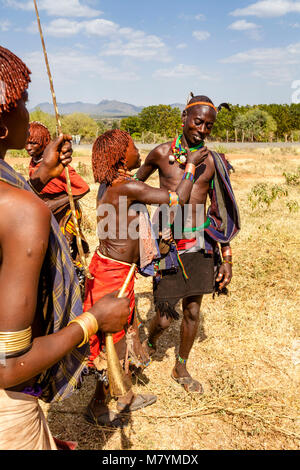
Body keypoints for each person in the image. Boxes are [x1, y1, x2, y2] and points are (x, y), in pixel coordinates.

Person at [0, 45, 130, 450]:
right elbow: (8, 365)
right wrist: (93, 320)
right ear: (3, 127)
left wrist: (37, 181)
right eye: (21, 102)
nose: (27, 110)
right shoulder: (21, 212)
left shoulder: (19, 196)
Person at [83, 128, 209, 426]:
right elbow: (178, 197)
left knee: (123, 332)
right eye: (130, 145)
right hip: (114, 274)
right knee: (113, 340)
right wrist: (190, 165)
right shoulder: (127, 187)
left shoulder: (113, 183)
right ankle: (97, 406)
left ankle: (124, 395)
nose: (136, 148)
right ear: (119, 156)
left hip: (108, 267)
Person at [135, 94, 241, 393]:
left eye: (209, 125)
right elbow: (135, 188)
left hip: (200, 242)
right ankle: (149, 343)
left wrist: (227, 258)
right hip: (168, 244)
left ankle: (180, 366)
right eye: (198, 122)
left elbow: (222, 212)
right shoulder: (160, 154)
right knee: (166, 315)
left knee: (193, 311)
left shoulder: (213, 162)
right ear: (184, 117)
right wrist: (147, 230)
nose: (203, 130)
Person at [26, 121, 90, 287]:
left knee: (65, 251)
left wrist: (53, 204)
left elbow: (83, 188)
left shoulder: (60, 166)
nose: (28, 147)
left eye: (34, 143)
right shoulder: (34, 162)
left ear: (45, 142)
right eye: (27, 141)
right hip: (48, 211)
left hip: (65, 213)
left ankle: (73, 285)